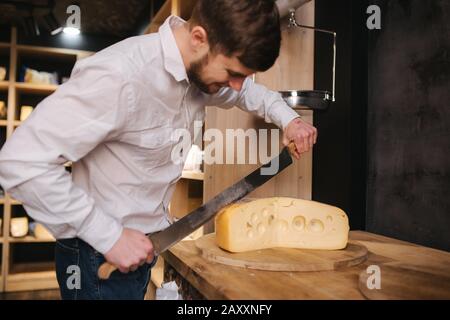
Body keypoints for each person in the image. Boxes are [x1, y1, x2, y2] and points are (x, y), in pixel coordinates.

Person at [0, 0, 317, 299]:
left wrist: (289, 120)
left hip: (141, 250)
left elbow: (250, 93)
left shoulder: (202, 72)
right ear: (198, 38)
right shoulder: (120, 75)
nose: (236, 86)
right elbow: (20, 162)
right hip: (95, 258)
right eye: (232, 73)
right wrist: (108, 236)